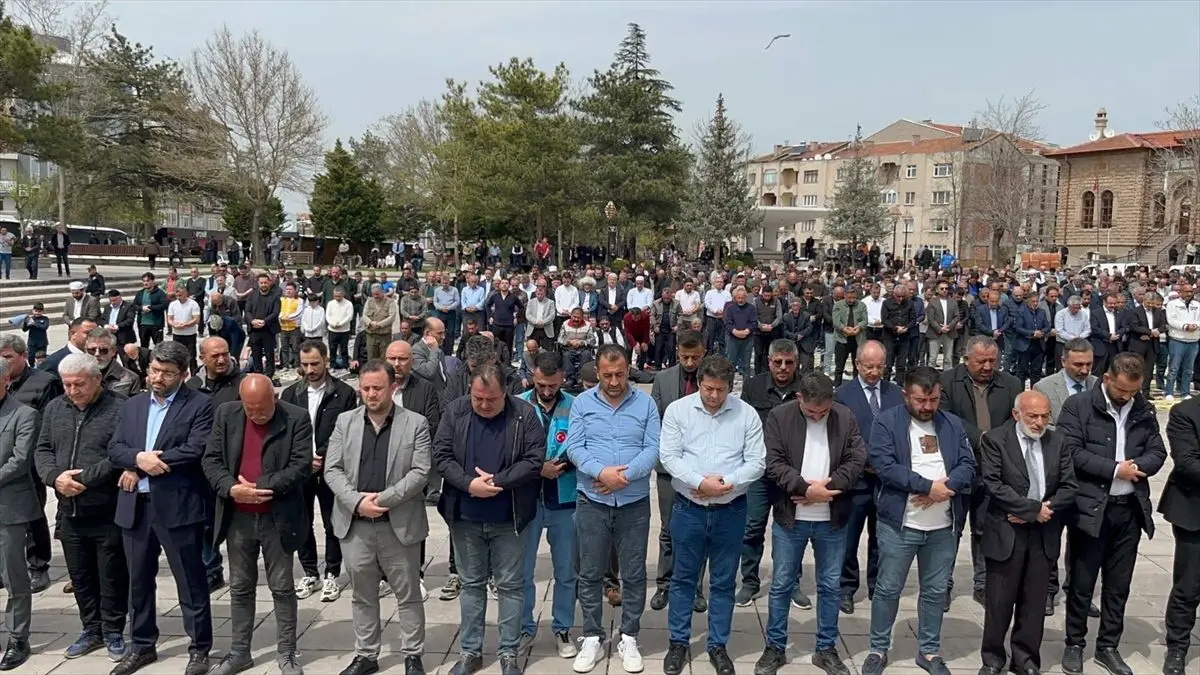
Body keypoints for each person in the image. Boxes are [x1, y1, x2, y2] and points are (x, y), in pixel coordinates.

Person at [107, 341, 215, 675]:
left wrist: (151, 461)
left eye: (167, 373)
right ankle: (142, 645)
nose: (158, 378)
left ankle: (199, 648)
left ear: (184, 374)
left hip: (177, 506)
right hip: (135, 505)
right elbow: (116, 447)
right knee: (138, 580)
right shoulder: (134, 405)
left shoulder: (200, 404)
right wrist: (137, 460)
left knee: (190, 580)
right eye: (154, 370)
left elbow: (196, 448)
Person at [1057, 353, 1167, 675]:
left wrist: (1138, 468)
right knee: (1082, 582)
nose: (1126, 398)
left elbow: (1158, 451)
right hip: (1091, 509)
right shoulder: (1079, 407)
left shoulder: (1143, 409)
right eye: (1121, 392)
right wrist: (1114, 469)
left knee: (1118, 585)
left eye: (1132, 392)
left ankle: (1108, 646)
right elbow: (1070, 451)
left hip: (1128, 510)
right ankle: (1074, 643)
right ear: (1106, 380)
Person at [861, 366, 976, 675]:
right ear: (905, 395)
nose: (927, 407)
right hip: (900, 525)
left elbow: (969, 464)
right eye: (921, 400)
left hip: (942, 527)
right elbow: (885, 466)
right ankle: (878, 647)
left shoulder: (952, 424)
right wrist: (927, 487)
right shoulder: (886, 422)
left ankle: (928, 651)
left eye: (933, 399)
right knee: (887, 588)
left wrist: (944, 490)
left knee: (935, 591)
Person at [434, 361, 545, 675]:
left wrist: (499, 481)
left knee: (510, 586)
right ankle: (470, 652)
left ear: (505, 392)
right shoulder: (455, 412)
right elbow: (441, 455)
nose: (483, 405)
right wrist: (469, 484)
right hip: (465, 515)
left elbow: (535, 458)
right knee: (471, 585)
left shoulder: (524, 415)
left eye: (491, 400)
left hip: (508, 517)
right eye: (477, 398)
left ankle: (509, 652)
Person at [658, 355, 766, 675]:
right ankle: (678, 642)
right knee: (683, 580)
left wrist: (725, 484)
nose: (714, 396)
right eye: (708, 388)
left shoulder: (746, 415)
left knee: (722, 582)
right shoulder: (679, 410)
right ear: (699, 382)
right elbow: (669, 456)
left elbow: (757, 462)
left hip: (730, 510)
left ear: (731, 387)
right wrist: (700, 482)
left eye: (720, 390)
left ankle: (717, 645)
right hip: (688, 508)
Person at [755, 372, 865, 675]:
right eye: (811, 411)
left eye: (823, 411)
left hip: (832, 518)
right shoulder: (779, 417)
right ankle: (775, 647)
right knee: (781, 584)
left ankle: (826, 649)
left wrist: (828, 489)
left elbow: (857, 458)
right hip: (792, 518)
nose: (818, 416)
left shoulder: (845, 416)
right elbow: (772, 462)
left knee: (830, 585)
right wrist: (805, 489)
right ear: (799, 398)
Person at [201, 375, 311, 675]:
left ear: (274, 398)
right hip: (238, 516)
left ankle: (287, 652)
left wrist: (261, 487)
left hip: (277, 517)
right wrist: (231, 488)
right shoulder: (226, 414)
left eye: (261, 409)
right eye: (249, 409)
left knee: (282, 586)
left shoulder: (296, 418)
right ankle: (240, 652)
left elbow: (300, 466)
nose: (255, 415)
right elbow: (211, 461)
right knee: (240, 586)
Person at [567, 343, 661, 675]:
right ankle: (592, 635)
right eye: (607, 375)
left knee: (634, 573)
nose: (614, 381)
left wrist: (625, 476)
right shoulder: (582, 403)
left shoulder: (646, 403)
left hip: (633, 502)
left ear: (629, 369)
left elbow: (653, 448)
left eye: (620, 374)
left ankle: (629, 635)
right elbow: (574, 447)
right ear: (597, 371)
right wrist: (601, 472)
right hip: (592, 499)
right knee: (590, 572)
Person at [35, 354, 129, 661]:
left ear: (97, 380)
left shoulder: (119, 409)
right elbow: (43, 449)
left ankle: (113, 630)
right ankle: (91, 629)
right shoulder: (54, 408)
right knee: (81, 576)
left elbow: (120, 455)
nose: (72, 391)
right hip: (69, 509)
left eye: (79, 384)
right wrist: (54, 478)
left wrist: (86, 479)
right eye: (67, 384)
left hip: (106, 509)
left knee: (111, 574)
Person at [978, 391, 1078, 675]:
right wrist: (1030, 509)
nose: (1039, 422)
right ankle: (993, 659)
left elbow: (1069, 486)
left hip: (1043, 533)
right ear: (1016, 414)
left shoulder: (1058, 441)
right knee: (999, 603)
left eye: (1045, 416)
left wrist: (1043, 510)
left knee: (1034, 604)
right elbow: (994, 485)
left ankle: (1025, 660)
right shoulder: (997, 440)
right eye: (1032, 416)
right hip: (1006, 534)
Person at [937, 336, 1021, 608]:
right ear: (966, 359)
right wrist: (980, 438)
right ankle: (943, 584)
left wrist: (995, 443)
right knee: (951, 529)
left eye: (992, 361)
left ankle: (983, 583)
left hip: (994, 470)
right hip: (958, 468)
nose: (987, 366)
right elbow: (946, 419)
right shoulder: (948, 381)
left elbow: (1014, 422)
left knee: (986, 530)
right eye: (981, 361)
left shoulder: (1010, 384)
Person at [737, 338, 810, 608]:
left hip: (791, 474)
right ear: (769, 362)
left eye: (788, 362)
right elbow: (741, 424)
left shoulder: (805, 387)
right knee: (752, 527)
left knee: (791, 529)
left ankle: (791, 582)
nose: (782, 367)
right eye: (777, 362)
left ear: (796, 363)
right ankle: (750, 582)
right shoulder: (754, 385)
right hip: (758, 473)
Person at [283, 340, 358, 603]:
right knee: (301, 522)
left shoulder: (344, 393)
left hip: (331, 468)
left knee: (332, 522)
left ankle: (332, 573)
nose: (310, 369)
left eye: (314, 363)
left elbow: (344, 430)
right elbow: (286, 434)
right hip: (300, 469)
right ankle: (309, 572)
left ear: (325, 360)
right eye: (304, 365)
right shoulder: (291, 394)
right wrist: (305, 459)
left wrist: (323, 456)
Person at [516, 353, 579, 657]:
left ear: (563, 378)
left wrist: (562, 465)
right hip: (528, 499)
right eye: (541, 383)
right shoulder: (517, 404)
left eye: (553, 385)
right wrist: (536, 468)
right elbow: (508, 449)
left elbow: (583, 442)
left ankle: (563, 628)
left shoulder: (575, 406)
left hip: (564, 498)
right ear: (532, 375)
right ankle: (525, 628)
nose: (547, 390)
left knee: (566, 570)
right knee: (523, 570)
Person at [833, 340, 902, 615]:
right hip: (856, 481)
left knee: (882, 537)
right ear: (857, 364)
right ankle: (846, 588)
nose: (874, 372)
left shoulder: (895, 393)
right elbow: (839, 437)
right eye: (868, 366)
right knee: (849, 537)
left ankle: (877, 585)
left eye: (879, 366)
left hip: (887, 481)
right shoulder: (842, 394)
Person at [647, 330, 709, 612]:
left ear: (703, 353)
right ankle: (665, 584)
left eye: (695, 357)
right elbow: (657, 420)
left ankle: (694, 586)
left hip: (701, 466)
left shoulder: (710, 380)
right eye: (685, 357)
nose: (689, 362)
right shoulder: (663, 379)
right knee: (669, 528)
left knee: (697, 529)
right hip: (668, 468)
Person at [0, 358, 41, 670]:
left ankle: (18, 638)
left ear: (6, 381)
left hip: (8, 508)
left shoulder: (24, 414)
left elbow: (20, 460)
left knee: (13, 576)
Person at [1158, 395, 1200, 675]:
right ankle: (1177, 647)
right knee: (1189, 585)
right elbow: (1187, 462)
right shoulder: (1185, 412)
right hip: (1194, 511)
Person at [244, 273, 282, 381]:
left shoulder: (275, 296)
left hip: (268, 330)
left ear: (269, 283)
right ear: (258, 283)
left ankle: (269, 377)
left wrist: (264, 321)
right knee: (256, 354)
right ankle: (258, 376)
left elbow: (276, 313)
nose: (264, 285)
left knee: (270, 355)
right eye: (261, 283)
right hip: (255, 330)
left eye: (265, 282)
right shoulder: (252, 295)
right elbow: (247, 311)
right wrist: (252, 321)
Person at [86, 328, 141, 397]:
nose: (97, 354)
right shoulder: (75, 375)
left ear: (113, 351)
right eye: (92, 350)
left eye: (103, 350)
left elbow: (134, 406)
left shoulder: (131, 378)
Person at [131, 273, 169, 350]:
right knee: (144, 346)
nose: (145, 283)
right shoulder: (140, 293)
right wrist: (141, 308)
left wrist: (150, 308)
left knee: (159, 347)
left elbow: (165, 305)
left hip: (156, 324)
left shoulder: (160, 293)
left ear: (153, 281)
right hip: (143, 324)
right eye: (144, 281)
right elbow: (134, 305)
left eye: (147, 281)